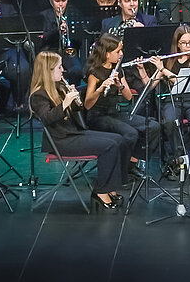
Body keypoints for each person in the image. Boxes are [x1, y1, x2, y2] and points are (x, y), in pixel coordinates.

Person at [30, 50, 132, 210]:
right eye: (59, 67)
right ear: (47, 71)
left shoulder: (59, 86)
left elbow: (77, 113)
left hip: (74, 132)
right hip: (61, 140)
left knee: (119, 139)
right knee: (109, 146)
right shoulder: (38, 95)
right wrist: (65, 103)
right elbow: (47, 118)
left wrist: (76, 101)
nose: (63, 70)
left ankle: (111, 187)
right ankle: (101, 192)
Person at [83, 32, 160, 172]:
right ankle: (120, 169)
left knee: (153, 127)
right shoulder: (94, 73)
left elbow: (129, 97)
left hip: (114, 114)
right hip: (97, 117)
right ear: (107, 54)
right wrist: (101, 88)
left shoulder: (118, 69)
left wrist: (120, 86)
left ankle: (131, 163)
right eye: (118, 51)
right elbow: (87, 104)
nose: (121, 54)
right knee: (131, 133)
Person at [146, 24, 190, 180]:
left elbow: (180, 80)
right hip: (172, 98)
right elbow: (151, 85)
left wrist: (163, 69)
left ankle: (176, 156)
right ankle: (180, 158)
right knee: (169, 122)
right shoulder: (168, 60)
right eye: (184, 43)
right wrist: (144, 69)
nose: (188, 46)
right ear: (177, 44)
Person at [39, 0, 83, 82]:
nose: (61, 4)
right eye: (57, 1)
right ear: (51, 1)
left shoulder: (74, 14)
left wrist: (69, 31)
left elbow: (80, 39)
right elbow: (43, 39)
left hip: (68, 51)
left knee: (77, 70)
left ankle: (73, 89)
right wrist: (57, 30)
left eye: (64, 1)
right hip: (50, 51)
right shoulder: (44, 16)